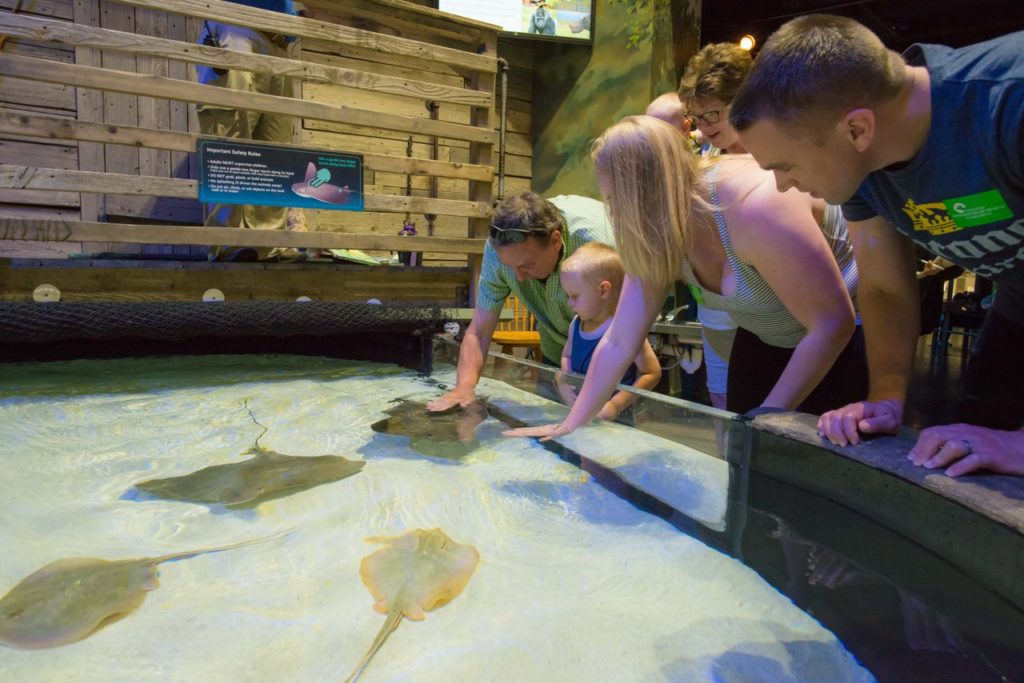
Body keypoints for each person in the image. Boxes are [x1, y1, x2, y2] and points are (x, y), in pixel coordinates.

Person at [729, 15, 1024, 476]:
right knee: (976, 447)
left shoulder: (1006, 102)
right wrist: (886, 397)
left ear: (857, 129)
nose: (783, 186)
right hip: (1016, 303)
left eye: (784, 165)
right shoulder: (859, 167)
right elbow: (885, 287)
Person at [503, 115, 867, 440]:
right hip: (764, 336)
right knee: (747, 465)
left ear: (645, 193)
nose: (612, 212)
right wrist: (571, 423)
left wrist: (767, 419)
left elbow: (833, 323)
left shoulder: (757, 206)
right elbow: (618, 341)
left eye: (614, 200)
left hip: (845, 340)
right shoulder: (660, 228)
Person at [427, 191, 615, 412]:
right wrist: (464, 388)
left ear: (555, 241)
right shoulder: (498, 252)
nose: (519, 277)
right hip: (557, 356)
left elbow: (627, 328)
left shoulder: (597, 243)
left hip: (612, 359)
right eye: (510, 267)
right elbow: (479, 331)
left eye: (528, 265)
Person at [197, 0, 305, 262]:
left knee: (276, 148)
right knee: (232, 136)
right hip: (237, 26)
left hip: (280, 43)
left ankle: (267, 244)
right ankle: (227, 242)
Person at [557, 242, 661, 420]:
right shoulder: (576, 325)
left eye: (575, 296)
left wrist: (615, 404)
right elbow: (567, 356)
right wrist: (565, 379)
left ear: (604, 290)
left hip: (615, 424)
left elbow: (651, 373)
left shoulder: (626, 328)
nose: (569, 303)